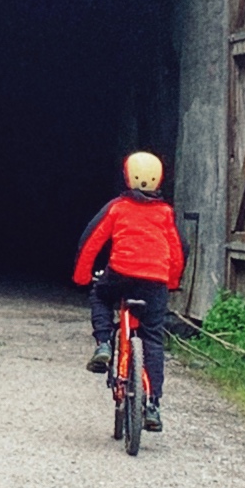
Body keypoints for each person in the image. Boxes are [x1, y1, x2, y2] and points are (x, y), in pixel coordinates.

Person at [72, 150, 187, 431]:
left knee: (100, 296)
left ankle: (103, 344)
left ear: (128, 176)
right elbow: (177, 252)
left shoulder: (118, 207)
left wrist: (83, 276)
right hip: (155, 282)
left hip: (121, 274)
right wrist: (171, 282)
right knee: (153, 338)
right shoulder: (165, 213)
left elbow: (91, 240)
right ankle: (153, 405)